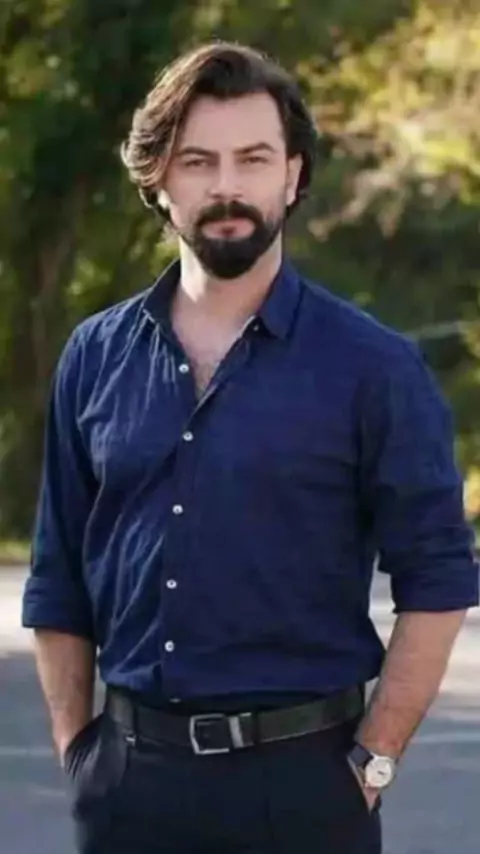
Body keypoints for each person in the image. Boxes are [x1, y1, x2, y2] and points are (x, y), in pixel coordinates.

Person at [22, 41, 478, 854]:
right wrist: (77, 752)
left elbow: (438, 579)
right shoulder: (93, 356)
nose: (226, 186)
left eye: (254, 159)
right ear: (159, 180)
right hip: (129, 789)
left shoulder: (374, 369)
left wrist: (372, 763)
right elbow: (58, 578)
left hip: (304, 792)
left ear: (293, 176)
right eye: (197, 161)